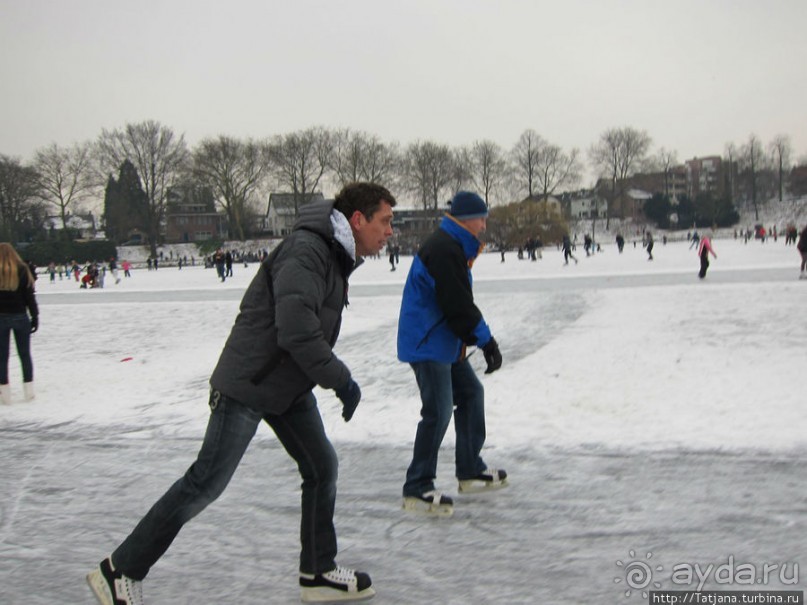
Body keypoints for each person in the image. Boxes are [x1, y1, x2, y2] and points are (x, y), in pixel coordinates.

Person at [87, 182, 396, 604]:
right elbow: (296, 330)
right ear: (358, 220)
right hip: (249, 383)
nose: (390, 231)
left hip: (286, 385)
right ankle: (119, 569)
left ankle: (318, 572)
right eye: (385, 221)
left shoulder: (333, 254)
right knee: (205, 482)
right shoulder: (308, 250)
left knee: (322, 466)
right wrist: (340, 379)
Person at [397, 191, 506, 518]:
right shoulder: (444, 249)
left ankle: (469, 469)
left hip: (442, 342)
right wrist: (486, 342)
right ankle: (417, 486)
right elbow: (457, 304)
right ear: (466, 219)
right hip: (427, 344)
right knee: (439, 411)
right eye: (481, 218)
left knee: (471, 394)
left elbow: (457, 305)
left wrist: (478, 339)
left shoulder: (452, 246)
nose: (484, 225)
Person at [0, 243, 38, 404]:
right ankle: (28, 391)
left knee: (2, 357)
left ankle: (5, 394)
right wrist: (35, 316)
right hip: (20, 316)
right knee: (25, 355)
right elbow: (30, 296)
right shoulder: (22, 270)